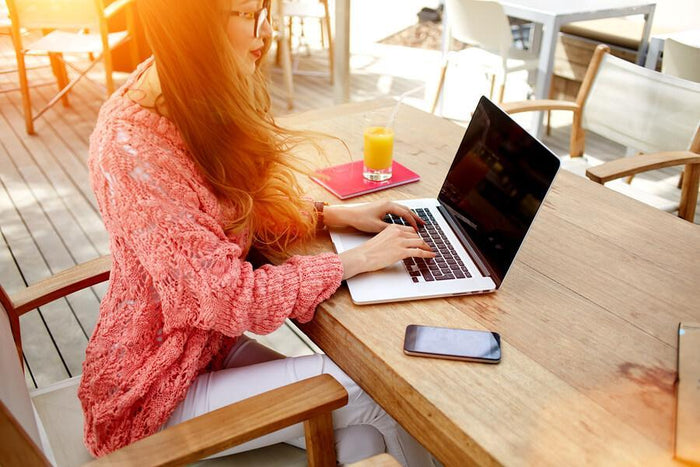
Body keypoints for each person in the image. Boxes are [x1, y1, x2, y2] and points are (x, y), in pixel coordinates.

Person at [77, 0, 436, 465]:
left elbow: (216, 216)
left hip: (202, 352)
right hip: (152, 395)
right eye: (246, 14)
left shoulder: (181, 94)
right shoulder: (133, 151)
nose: (266, 31)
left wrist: (333, 216)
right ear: (193, 26)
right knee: (384, 393)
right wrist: (357, 260)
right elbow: (227, 297)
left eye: (263, 10)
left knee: (369, 434)